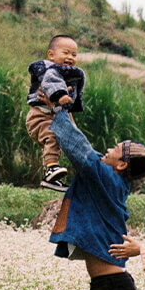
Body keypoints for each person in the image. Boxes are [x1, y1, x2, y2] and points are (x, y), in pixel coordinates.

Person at [46, 102, 145, 290]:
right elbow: (85, 149)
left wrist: (56, 108)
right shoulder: (112, 180)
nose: (106, 150)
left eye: (114, 149)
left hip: (113, 288)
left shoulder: (106, 177)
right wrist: (67, 112)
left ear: (122, 164)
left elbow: (79, 148)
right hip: (109, 286)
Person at [26, 35, 86, 192]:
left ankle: (52, 178)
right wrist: (60, 95)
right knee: (52, 136)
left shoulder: (68, 75)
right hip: (39, 116)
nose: (70, 58)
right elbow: (51, 84)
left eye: (74, 55)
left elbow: (66, 109)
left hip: (53, 114)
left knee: (61, 139)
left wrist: (73, 128)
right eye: (65, 53)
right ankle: (51, 169)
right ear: (51, 55)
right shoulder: (47, 69)